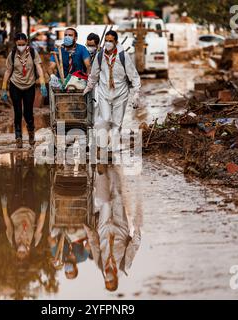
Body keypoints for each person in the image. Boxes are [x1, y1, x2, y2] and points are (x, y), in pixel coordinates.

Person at [84, 164, 141, 292]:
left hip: (104, 228)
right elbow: (134, 246)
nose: (107, 279)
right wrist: (137, 228)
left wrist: (88, 230)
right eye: (110, 281)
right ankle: (114, 168)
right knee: (118, 196)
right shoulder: (124, 266)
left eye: (106, 281)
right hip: (121, 228)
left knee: (104, 201)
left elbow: (94, 244)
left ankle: (102, 173)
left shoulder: (99, 264)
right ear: (116, 280)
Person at [84, 30, 141, 154]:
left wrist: (136, 92)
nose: (108, 43)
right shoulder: (100, 56)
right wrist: (88, 87)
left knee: (117, 122)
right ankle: (103, 142)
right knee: (104, 119)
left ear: (116, 42)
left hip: (121, 93)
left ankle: (112, 150)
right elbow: (94, 75)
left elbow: (133, 75)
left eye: (111, 41)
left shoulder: (123, 56)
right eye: (106, 41)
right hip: (104, 93)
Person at [1, 32, 47, 148]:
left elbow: (39, 67)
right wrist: (4, 88)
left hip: (29, 86)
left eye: (23, 44)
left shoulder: (32, 52)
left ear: (26, 42)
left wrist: (42, 83)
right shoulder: (12, 54)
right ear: (16, 43)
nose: (21, 46)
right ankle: (18, 137)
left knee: (28, 112)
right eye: (19, 44)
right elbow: (8, 71)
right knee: (17, 112)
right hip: (15, 85)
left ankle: (31, 131)